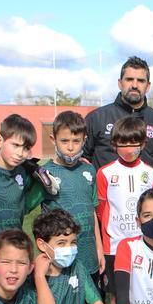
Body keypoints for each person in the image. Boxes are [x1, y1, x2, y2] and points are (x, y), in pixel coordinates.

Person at [97, 116, 153, 292]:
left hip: (144, 244)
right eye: (123, 143)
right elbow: (101, 211)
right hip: (114, 246)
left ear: (143, 144)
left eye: (134, 143)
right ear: (114, 145)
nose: (129, 149)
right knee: (116, 297)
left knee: (142, 291)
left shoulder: (152, 174)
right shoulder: (105, 173)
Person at [40, 111, 104, 289]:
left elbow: (92, 211)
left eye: (76, 141)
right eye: (64, 141)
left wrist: (99, 249)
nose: (70, 147)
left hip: (89, 254)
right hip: (61, 257)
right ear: (53, 140)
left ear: (84, 140)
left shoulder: (89, 171)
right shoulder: (44, 174)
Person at [83, 56, 153, 171]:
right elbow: (83, 162)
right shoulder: (96, 118)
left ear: (148, 86)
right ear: (120, 83)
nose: (134, 85)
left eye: (141, 81)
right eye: (129, 79)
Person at [0, 114, 56, 242]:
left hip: (16, 248)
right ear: (0, 141)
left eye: (26, 148)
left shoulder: (24, 173)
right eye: (16, 145)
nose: (20, 153)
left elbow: (26, 205)